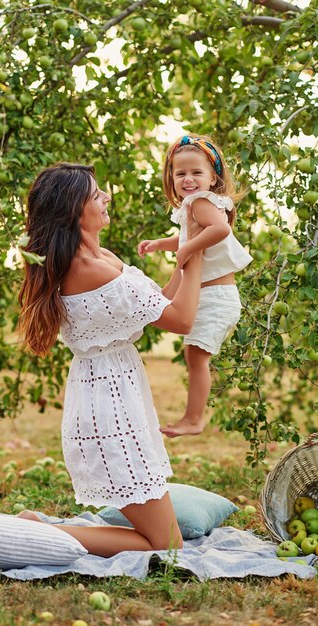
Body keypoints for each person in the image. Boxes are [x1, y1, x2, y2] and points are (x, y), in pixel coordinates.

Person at [18, 162, 203, 557]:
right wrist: (198, 253)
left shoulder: (101, 256)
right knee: (167, 545)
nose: (107, 198)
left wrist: (186, 254)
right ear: (73, 210)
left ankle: (47, 528)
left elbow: (160, 305)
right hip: (108, 407)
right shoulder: (89, 269)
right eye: (96, 194)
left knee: (164, 538)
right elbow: (182, 319)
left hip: (116, 395)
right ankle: (44, 530)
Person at [138, 134, 252, 437]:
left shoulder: (202, 202)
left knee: (196, 356)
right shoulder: (193, 205)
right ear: (171, 178)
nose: (188, 179)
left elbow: (219, 229)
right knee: (193, 353)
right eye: (180, 173)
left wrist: (186, 250)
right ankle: (192, 417)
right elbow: (189, 237)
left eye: (196, 172)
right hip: (210, 294)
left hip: (217, 296)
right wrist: (163, 244)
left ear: (213, 177)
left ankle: (194, 419)